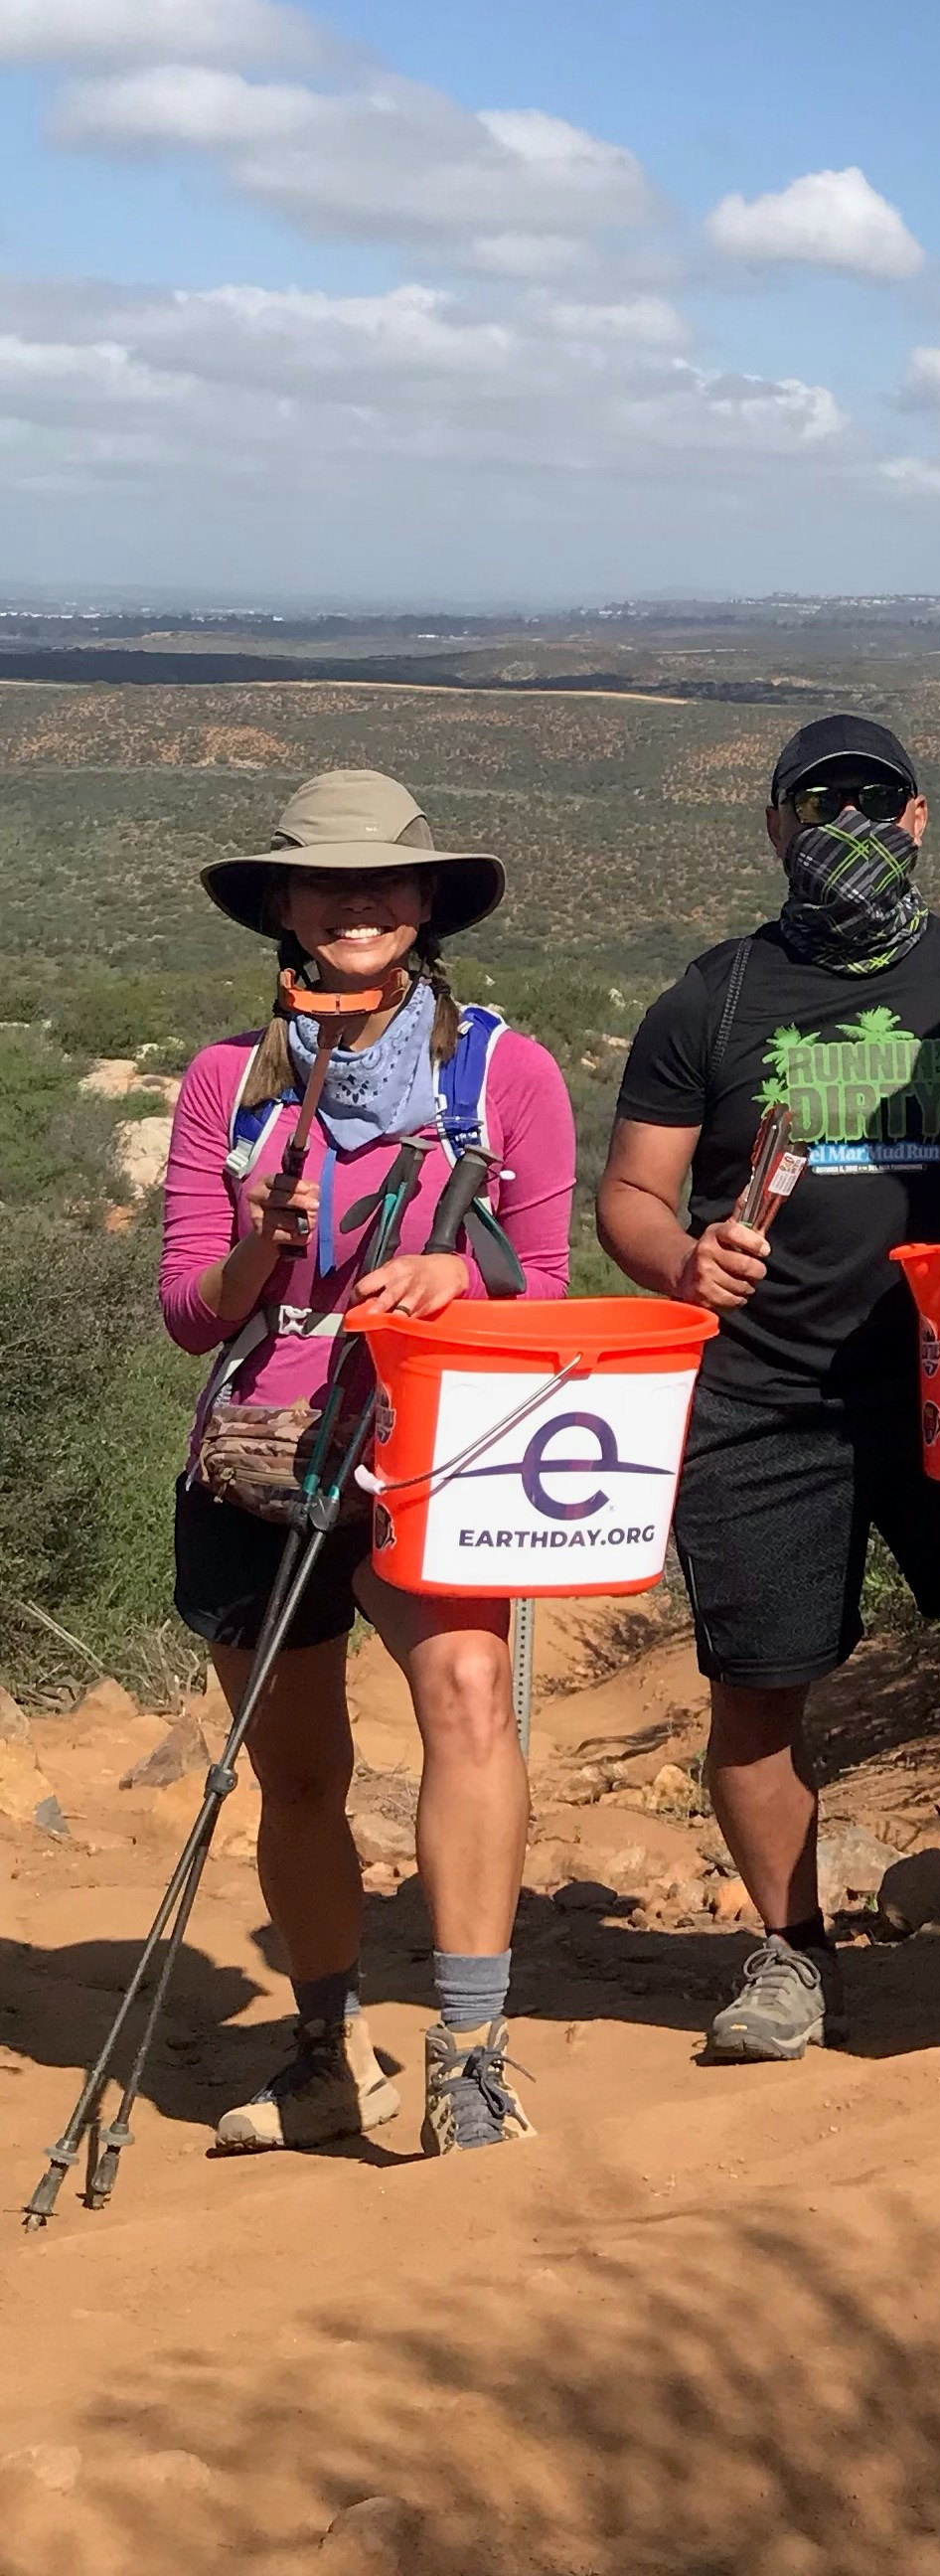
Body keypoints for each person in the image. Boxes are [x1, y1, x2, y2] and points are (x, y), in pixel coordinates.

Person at [598, 715, 940, 2059]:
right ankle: (788, 1954)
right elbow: (629, 1194)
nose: (848, 818)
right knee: (760, 1687)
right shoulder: (713, 997)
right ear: (775, 826)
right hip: (764, 1393)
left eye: (876, 798)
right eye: (817, 800)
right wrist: (683, 1257)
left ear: (917, 820)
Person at [162, 768, 575, 2158]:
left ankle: (470, 2054)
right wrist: (263, 1243)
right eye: (327, 884)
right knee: (299, 1772)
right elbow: (187, 1314)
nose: (356, 905)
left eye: (383, 883)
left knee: (465, 1700)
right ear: (282, 907)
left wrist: (459, 1267)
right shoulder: (227, 1081)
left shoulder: (506, 1073)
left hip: (437, 1445)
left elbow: (549, 1284)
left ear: (424, 904)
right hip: (260, 1447)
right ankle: (327, 2047)